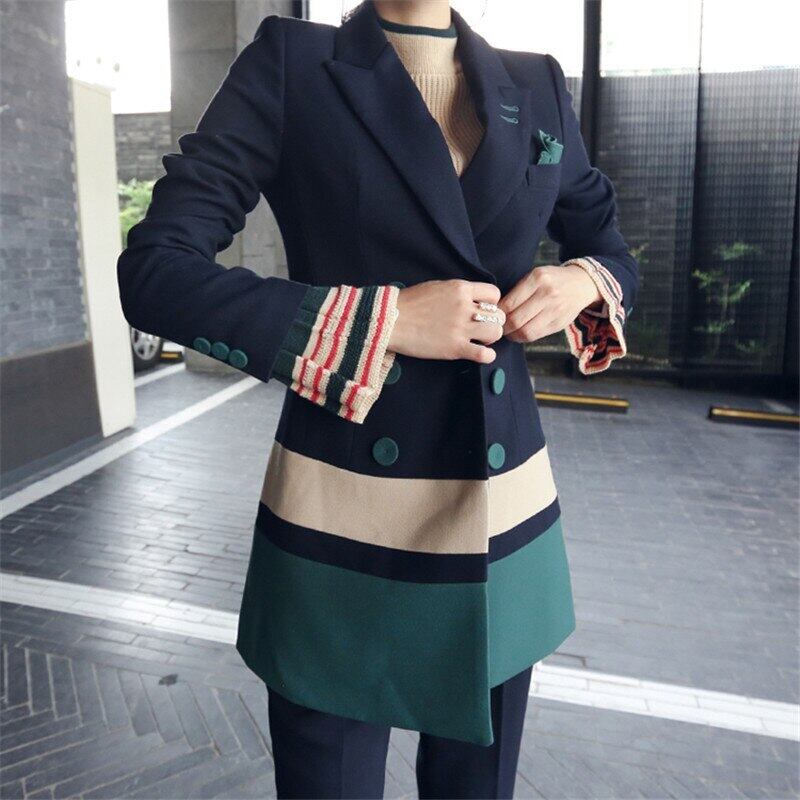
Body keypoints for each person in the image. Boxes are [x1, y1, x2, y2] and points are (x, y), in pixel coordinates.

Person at [116, 0, 639, 796]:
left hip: (503, 515)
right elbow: (156, 271)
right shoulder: (292, 65)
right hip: (343, 511)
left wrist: (581, 282)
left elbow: (608, 247)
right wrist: (385, 320)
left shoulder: (537, 83)